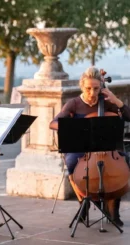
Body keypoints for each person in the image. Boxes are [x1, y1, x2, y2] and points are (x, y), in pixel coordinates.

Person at [49, 66, 130, 226]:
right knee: (72, 162)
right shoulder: (74, 103)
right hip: (81, 148)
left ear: (101, 87)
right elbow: (53, 123)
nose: (92, 93)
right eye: (88, 88)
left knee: (125, 161)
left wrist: (117, 101)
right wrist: (73, 127)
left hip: (107, 148)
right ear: (82, 86)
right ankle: (84, 202)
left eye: (96, 88)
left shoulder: (107, 102)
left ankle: (113, 209)